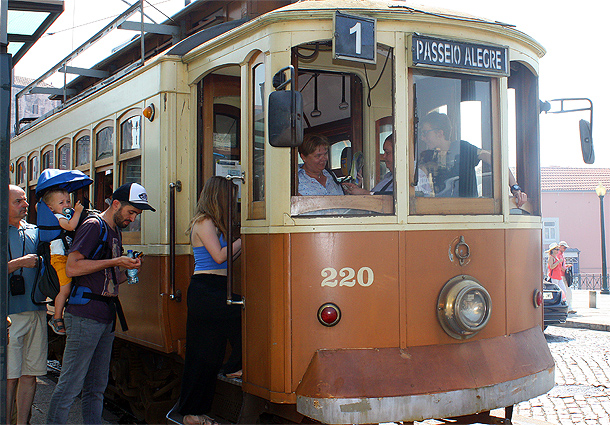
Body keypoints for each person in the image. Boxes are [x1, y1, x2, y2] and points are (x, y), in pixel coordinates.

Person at [46, 182, 155, 425]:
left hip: (105, 315)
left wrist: (128, 270)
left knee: (97, 387)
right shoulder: (94, 226)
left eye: (136, 215)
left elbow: (108, 277)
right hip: (85, 314)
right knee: (70, 386)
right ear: (116, 204)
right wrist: (115, 261)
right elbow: (73, 266)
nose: (133, 219)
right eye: (131, 212)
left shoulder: (115, 230)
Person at [175, 176, 242, 425]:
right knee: (243, 313)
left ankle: (194, 413)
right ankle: (235, 366)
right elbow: (218, 257)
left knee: (206, 354)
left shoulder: (215, 223)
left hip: (213, 287)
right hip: (206, 289)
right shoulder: (203, 222)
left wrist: (237, 244)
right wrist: (243, 239)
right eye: (231, 196)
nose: (234, 201)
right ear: (219, 196)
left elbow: (226, 260)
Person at [418, 111, 527, 206]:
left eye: (425, 133)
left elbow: (496, 161)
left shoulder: (462, 148)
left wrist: (515, 188)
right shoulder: (429, 157)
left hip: (468, 211)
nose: (422, 138)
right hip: (440, 213)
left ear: (439, 133)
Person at [7, 185, 48, 425]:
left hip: (36, 310)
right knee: (10, 376)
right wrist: (17, 263)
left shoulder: (35, 231)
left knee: (30, 374)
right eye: (18, 201)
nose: (25, 205)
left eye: (25, 200)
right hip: (11, 314)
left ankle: (23, 422)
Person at [42, 188, 85, 335]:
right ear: (50, 207)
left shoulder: (63, 215)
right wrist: (78, 212)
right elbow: (70, 226)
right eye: (61, 202)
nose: (66, 205)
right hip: (59, 258)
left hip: (65, 257)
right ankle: (56, 317)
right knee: (65, 290)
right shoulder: (58, 216)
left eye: (68, 201)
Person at [343, 134, 432, 196]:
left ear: (399, 153)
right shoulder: (388, 177)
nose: (384, 156)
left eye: (387, 152)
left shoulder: (415, 176)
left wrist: (363, 193)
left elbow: (399, 201)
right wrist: (358, 189)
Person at [558, 240, 575, 313]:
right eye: (564, 248)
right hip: (561, 276)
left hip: (562, 275)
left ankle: (568, 307)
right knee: (566, 291)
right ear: (560, 247)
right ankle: (568, 308)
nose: (565, 249)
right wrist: (565, 268)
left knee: (567, 291)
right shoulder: (559, 255)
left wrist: (566, 266)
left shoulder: (561, 254)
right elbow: (560, 266)